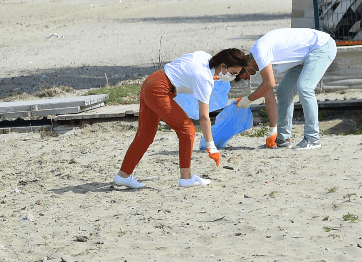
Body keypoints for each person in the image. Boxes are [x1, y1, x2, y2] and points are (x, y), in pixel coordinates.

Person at [113, 49, 249, 189]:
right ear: (223, 66)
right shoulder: (204, 79)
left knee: (145, 136)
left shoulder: (204, 56)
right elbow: (204, 117)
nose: (234, 77)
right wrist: (211, 145)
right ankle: (186, 177)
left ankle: (123, 175)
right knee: (187, 129)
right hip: (160, 89)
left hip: (151, 82)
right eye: (233, 73)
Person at [235, 28, 337, 150]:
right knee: (283, 91)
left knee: (305, 88)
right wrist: (273, 130)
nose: (248, 77)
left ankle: (312, 138)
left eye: (244, 75)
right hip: (302, 58)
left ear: (246, 65)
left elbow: (269, 84)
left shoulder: (259, 52)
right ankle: (282, 139)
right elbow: (269, 96)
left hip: (321, 46)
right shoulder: (256, 67)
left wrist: (247, 100)